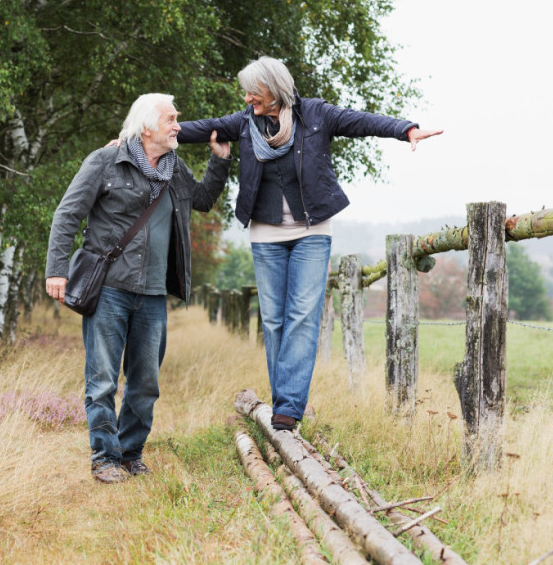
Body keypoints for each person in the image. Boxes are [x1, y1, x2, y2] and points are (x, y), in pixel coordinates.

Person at [177, 56, 442, 431]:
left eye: (255, 90)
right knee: (273, 320)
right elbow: (196, 129)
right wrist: (142, 134)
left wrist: (406, 130)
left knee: (302, 315)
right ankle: (285, 401)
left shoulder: (316, 114)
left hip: (311, 230)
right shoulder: (243, 122)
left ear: (275, 87)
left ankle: (286, 411)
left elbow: (363, 121)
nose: (248, 96)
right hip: (265, 232)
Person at [45, 93, 232, 483]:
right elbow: (67, 214)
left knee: (145, 383)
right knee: (103, 382)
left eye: (177, 118)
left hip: (151, 295)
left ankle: (131, 454)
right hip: (109, 289)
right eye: (171, 118)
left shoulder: (174, 169)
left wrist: (219, 159)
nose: (178, 125)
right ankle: (105, 458)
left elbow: (201, 200)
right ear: (147, 126)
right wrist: (56, 271)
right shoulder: (105, 161)